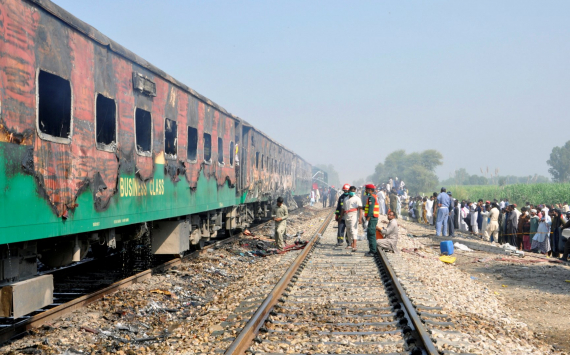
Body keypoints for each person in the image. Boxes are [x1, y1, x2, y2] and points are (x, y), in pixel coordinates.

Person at [340, 186, 362, 252]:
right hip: (346, 216)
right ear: (349, 191)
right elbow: (343, 209)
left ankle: (355, 245)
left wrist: (360, 218)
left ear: (355, 191)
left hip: (354, 215)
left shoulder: (357, 199)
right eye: (351, 191)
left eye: (353, 191)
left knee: (353, 230)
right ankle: (351, 243)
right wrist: (340, 217)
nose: (352, 192)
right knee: (348, 231)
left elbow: (360, 209)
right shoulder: (345, 199)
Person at [362, 184, 380, 257]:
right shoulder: (373, 197)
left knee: (371, 233)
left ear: (369, 190)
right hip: (373, 218)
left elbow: (370, 210)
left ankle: (373, 251)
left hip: (372, 218)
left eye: (366, 189)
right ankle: (372, 249)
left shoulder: (371, 198)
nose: (365, 191)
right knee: (370, 233)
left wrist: (367, 221)